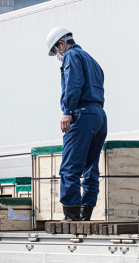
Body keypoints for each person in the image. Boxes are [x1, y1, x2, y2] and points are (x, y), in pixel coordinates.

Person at [45, 27, 107, 222]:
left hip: (82, 114)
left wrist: (67, 112)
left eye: (56, 50)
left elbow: (73, 84)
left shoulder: (71, 56)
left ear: (61, 44)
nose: (58, 54)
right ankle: (85, 212)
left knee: (70, 167)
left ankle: (71, 215)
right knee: (90, 167)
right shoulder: (91, 60)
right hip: (99, 116)